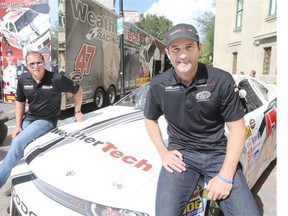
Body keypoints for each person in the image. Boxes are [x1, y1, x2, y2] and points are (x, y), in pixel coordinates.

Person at [144, 23, 260, 215]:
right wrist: (163, 153)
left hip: (217, 155)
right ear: (167, 53)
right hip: (182, 156)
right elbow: (150, 119)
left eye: (189, 47)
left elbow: (237, 128)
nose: (183, 54)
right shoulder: (158, 85)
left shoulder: (221, 81)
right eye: (176, 49)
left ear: (199, 48)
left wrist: (225, 176)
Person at [0, 51, 84, 190]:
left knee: (19, 142)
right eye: (32, 64)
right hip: (30, 118)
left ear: (44, 62)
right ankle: (18, 182)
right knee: (17, 143)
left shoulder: (56, 79)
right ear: (27, 66)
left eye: (39, 62)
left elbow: (78, 90)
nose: (36, 66)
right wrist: (17, 126)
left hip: (47, 120)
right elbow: (20, 102)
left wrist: (77, 111)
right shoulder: (23, 79)